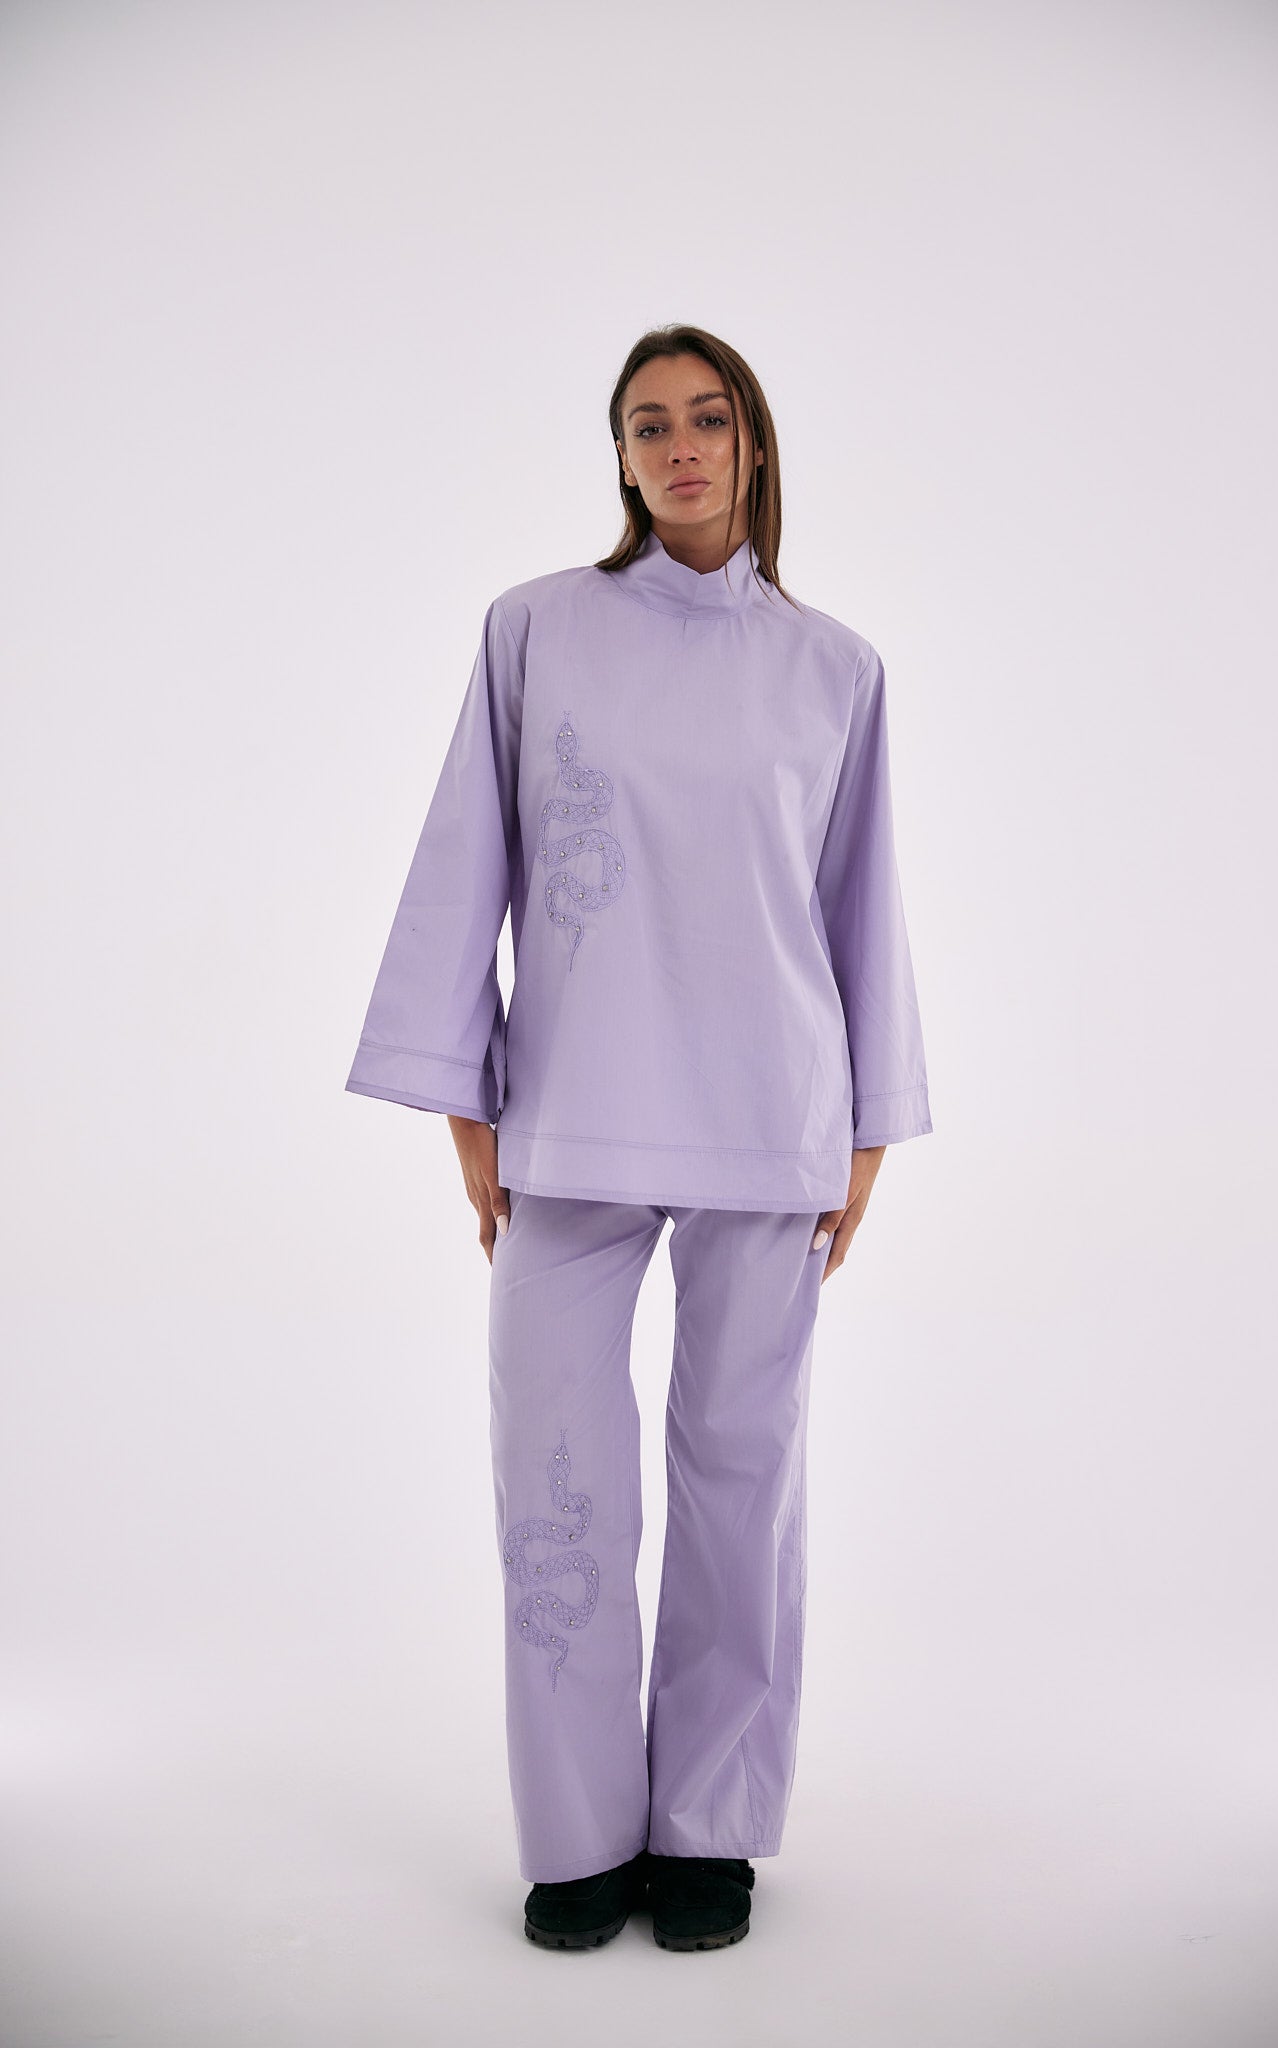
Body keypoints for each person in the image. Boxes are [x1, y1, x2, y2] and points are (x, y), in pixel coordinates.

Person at [344, 324, 933, 1952]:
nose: (679, 448)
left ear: (752, 443)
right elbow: (465, 857)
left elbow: (862, 905)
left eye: (707, 418)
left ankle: (709, 1829)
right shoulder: (534, 630)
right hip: (572, 1116)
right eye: (647, 424)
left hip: (769, 1116)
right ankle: (581, 1836)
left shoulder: (834, 669)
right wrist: (464, 1102)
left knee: (743, 1482)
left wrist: (869, 1130)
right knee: (558, 1484)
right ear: (616, 456)